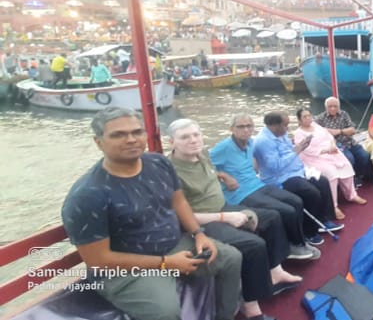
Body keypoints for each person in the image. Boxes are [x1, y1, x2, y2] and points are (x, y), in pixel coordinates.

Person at [61, 107, 242, 320]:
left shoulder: (158, 163)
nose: (131, 139)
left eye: (137, 132)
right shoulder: (88, 195)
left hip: (175, 245)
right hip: (126, 269)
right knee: (164, 312)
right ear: (99, 142)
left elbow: (179, 201)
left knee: (231, 258)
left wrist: (198, 233)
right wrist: (166, 263)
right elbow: (99, 260)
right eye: (118, 134)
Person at [167, 119, 303, 320]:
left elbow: (211, 170)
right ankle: (251, 308)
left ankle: (275, 270)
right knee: (253, 244)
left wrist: (222, 175)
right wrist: (226, 217)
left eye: (196, 135)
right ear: (172, 142)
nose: (193, 140)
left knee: (272, 218)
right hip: (202, 220)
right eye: (185, 137)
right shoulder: (170, 172)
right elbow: (180, 215)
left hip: (223, 206)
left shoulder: (202, 154)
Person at [210, 114, 321, 254]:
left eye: (249, 126)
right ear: (232, 129)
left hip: (257, 184)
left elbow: (258, 161)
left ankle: (299, 240)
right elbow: (202, 165)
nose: (245, 130)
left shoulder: (251, 142)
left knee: (296, 201)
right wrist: (223, 175)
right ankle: (293, 246)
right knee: (286, 210)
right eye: (240, 127)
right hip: (240, 193)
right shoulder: (224, 147)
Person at [253, 112, 344, 240]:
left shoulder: (281, 134)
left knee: (323, 181)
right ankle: (309, 231)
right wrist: (297, 150)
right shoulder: (263, 142)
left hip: (296, 171)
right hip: (280, 178)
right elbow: (275, 166)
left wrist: (300, 146)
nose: (287, 128)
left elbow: (289, 151)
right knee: (311, 192)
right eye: (285, 125)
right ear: (275, 126)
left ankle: (322, 220)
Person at [294, 108, 367, 220]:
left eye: (309, 115)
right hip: (314, 157)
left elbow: (329, 135)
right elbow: (307, 150)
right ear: (299, 120)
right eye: (304, 117)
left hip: (331, 151)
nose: (308, 118)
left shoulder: (316, 126)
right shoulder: (299, 133)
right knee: (331, 174)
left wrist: (333, 145)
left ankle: (351, 195)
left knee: (346, 166)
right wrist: (326, 150)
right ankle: (334, 206)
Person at [315, 97, 373, 185]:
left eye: (335, 106)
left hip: (350, 142)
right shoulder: (320, 118)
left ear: (338, 106)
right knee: (350, 158)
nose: (333, 108)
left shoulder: (344, 114)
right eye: (330, 106)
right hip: (337, 145)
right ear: (326, 107)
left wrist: (338, 131)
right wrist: (329, 132)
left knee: (364, 155)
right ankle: (351, 179)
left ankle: (359, 175)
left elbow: (352, 130)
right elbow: (316, 131)